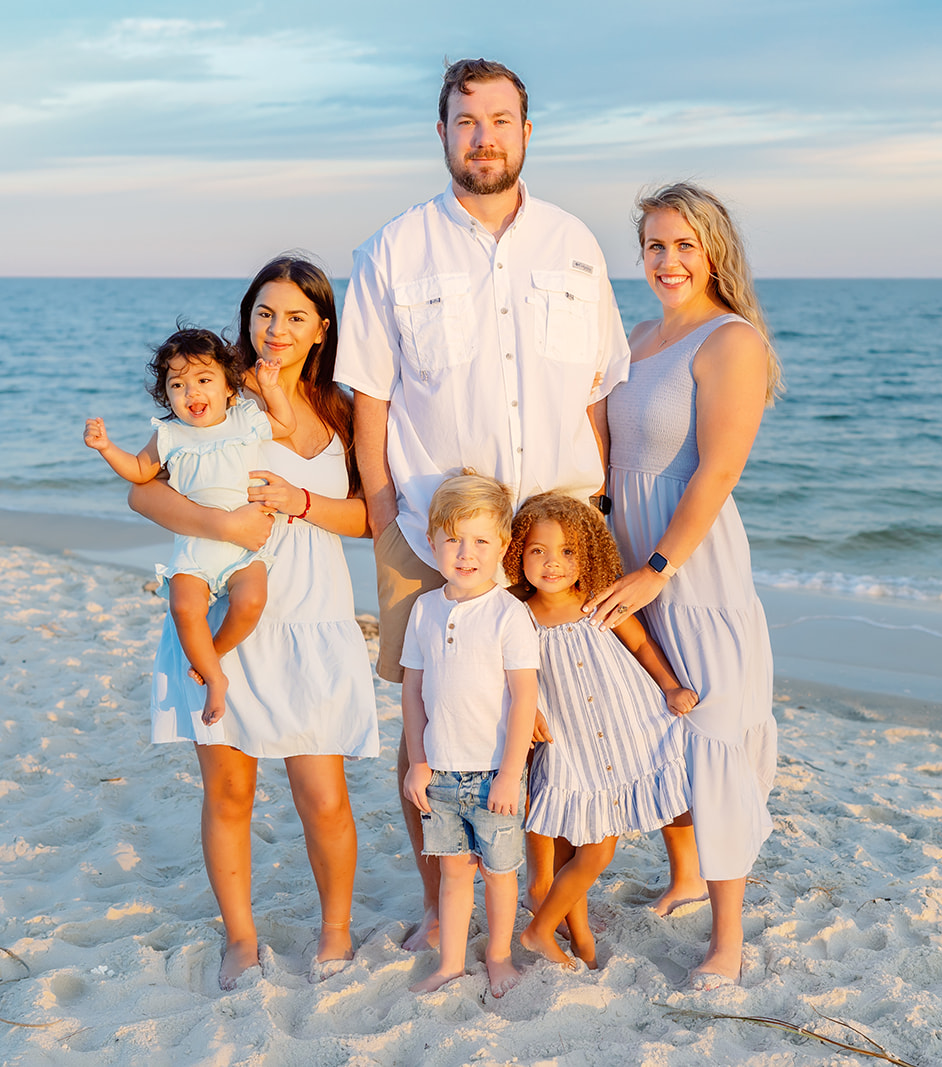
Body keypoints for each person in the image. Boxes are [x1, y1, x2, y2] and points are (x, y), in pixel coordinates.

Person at [336, 56, 632, 951]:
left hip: (553, 533)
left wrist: (599, 509)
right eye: (467, 121)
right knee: (432, 717)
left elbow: (597, 389)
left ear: (527, 132)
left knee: (558, 713)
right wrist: (384, 516)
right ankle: (442, 905)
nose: (484, 138)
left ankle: (547, 903)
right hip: (434, 530)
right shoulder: (394, 249)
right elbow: (369, 397)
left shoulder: (574, 243)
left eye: (500, 120)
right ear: (442, 133)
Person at [132, 257, 380, 990]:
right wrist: (225, 525)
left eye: (296, 317)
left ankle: (335, 932)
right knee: (230, 791)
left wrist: (300, 501)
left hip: (315, 616)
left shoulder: (343, 408)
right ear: (247, 317)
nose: (277, 329)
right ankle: (240, 938)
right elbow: (143, 494)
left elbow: (372, 517)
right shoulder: (218, 389)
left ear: (322, 329)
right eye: (264, 313)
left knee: (323, 795)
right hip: (228, 615)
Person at [585, 181, 785, 989]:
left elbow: (718, 470)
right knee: (655, 725)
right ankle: (686, 874)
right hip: (626, 549)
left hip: (690, 566)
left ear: (713, 252)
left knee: (712, 731)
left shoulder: (730, 340)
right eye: (654, 246)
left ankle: (727, 938)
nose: (667, 261)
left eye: (683, 246)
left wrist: (657, 569)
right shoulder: (637, 335)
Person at [502, 492, 695, 970]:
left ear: (587, 553)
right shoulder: (515, 616)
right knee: (586, 850)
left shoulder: (600, 600)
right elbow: (504, 676)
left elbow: (641, 644)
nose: (552, 563)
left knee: (592, 850)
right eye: (538, 550)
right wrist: (525, 713)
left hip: (624, 731)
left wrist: (671, 686)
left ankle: (575, 939)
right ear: (518, 553)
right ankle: (550, 932)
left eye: (567, 551)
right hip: (569, 747)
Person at [85, 329, 293, 725]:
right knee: (183, 606)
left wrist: (270, 388)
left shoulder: (245, 419)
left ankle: (214, 653)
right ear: (167, 396)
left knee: (251, 601)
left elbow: (285, 422)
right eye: (177, 385)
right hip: (196, 545)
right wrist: (107, 448)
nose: (191, 392)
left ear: (229, 387)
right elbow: (140, 471)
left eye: (203, 380)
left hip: (245, 545)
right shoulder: (170, 435)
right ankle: (215, 679)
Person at [400, 471, 539, 997]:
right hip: (440, 774)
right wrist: (418, 762)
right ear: (432, 540)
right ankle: (450, 964)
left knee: (500, 874)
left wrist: (509, 775)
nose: (466, 553)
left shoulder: (509, 614)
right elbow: (412, 692)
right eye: (453, 539)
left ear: (502, 545)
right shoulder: (424, 610)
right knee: (455, 875)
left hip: (493, 774)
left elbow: (524, 698)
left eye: (481, 541)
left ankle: (499, 956)